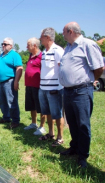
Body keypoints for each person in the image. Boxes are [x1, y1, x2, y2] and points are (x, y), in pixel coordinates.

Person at [59, 22, 104, 168]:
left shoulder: (88, 45)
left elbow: (99, 67)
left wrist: (92, 81)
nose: (62, 34)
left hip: (82, 91)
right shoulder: (68, 47)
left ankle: (83, 155)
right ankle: (75, 148)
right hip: (68, 91)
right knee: (72, 122)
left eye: (64, 32)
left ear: (70, 31)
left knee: (83, 124)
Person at [38, 27, 65, 147]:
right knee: (47, 112)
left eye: (41, 37)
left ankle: (60, 137)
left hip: (54, 89)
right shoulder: (44, 51)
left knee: (57, 114)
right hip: (43, 88)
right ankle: (51, 133)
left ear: (47, 37)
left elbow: (63, 69)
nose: (40, 39)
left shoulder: (58, 50)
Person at [0, 37, 23, 129]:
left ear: (10, 46)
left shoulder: (15, 55)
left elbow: (19, 68)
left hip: (9, 81)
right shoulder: (0, 55)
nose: (3, 45)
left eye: (5, 44)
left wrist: (16, 81)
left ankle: (15, 120)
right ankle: (6, 117)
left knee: (11, 101)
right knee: (2, 101)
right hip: (0, 82)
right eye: (2, 44)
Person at [23, 38, 46, 135]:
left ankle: (42, 126)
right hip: (29, 85)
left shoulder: (42, 56)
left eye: (28, 45)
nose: (26, 47)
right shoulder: (30, 56)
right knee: (32, 106)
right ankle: (34, 123)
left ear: (35, 46)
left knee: (41, 107)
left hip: (38, 86)